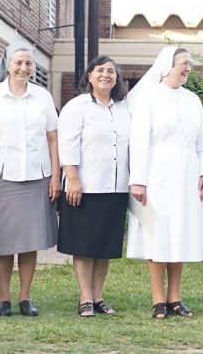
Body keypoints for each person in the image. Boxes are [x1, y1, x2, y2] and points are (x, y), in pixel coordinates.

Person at [0, 44, 60, 317]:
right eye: (18, 63)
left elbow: (53, 138)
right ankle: (3, 299)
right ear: (7, 64)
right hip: (1, 177)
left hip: (37, 175)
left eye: (28, 63)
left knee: (29, 240)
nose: (24, 68)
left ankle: (25, 297)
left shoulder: (42, 96)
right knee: (2, 240)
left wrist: (56, 175)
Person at [127, 47, 203, 320]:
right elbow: (139, 141)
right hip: (156, 174)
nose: (188, 68)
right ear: (168, 65)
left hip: (187, 174)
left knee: (180, 233)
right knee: (157, 232)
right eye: (183, 63)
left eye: (190, 63)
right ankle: (158, 299)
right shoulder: (149, 97)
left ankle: (175, 297)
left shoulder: (193, 100)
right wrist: (138, 181)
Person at [58, 56, 131, 318]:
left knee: (105, 247)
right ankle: (85, 297)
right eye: (100, 70)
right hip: (85, 186)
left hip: (115, 187)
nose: (106, 75)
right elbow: (66, 144)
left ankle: (98, 296)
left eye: (111, 71)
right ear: (89, 76)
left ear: (117, 78)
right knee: (84, 245)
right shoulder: (77, 107)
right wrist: (73, 179)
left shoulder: (124, 108)